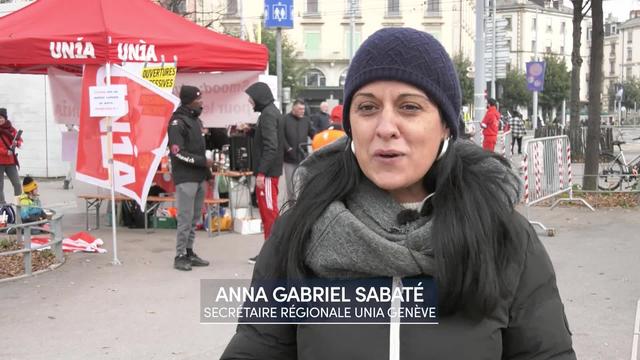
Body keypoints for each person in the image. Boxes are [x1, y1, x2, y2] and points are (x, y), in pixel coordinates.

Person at [222, 27, 575, 359]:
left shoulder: (502, 234)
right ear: (350, 125)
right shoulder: (299, 231)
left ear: (445, 126)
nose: (386, 127)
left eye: (410, 107)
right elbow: (256, 348)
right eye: (367, 107)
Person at [167, 85, 212, 271]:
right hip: (186, 178)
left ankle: (189, 251)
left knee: (194, 218)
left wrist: (207, 174)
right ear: (189, 101)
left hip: (199, 177)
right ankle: (179, 255)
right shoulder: (177, 123)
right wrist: (203, 162)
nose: (201, 103)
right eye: (198, 100)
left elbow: (199, 148)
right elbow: (177, 153)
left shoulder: (196, 121)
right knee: (185, 218)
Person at [244, 82, 285, 265]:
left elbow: (271, 146)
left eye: (252, 99)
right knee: (268, 213)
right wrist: (251, 131)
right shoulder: (269, 112)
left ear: (260, 97)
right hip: (268, 173)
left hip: (268, 174)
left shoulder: (268, 114)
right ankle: (271, 253)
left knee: (269, 213)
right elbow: (268, 139)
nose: (251, 102)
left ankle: (272, 256)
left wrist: (261, 173)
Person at [282, 99, 315, 201]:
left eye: (303, 109)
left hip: (303, 157)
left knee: (303, 185)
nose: (302, 111)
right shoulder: (285, 119)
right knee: (291, 186)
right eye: (300, 109)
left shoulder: (306, 120)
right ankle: (292, 209)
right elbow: (281, 136)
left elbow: (313, 134)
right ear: (293, 108)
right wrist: (287, 148)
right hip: (289, 159)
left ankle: (302, 207)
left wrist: (322, 137)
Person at [0, 108, 22, 204]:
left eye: (1, 118)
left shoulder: (12, 129)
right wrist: (5, 152)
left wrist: (16, 142)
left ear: (5, 118)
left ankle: (18, 204)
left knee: (17, 184)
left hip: (10, 162)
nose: (0, 120)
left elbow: (20, 140)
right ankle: (2, 205)